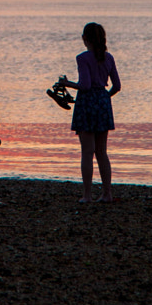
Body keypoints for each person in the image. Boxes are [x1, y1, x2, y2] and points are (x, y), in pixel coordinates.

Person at [58, 22, 121, 203]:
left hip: (86, 103)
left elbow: (85, 85)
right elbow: (117, 86)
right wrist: (105, 97)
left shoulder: (83, 58)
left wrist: (66, 83)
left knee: (87, 152)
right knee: (102, 152)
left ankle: (87, 195)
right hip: (103, 102)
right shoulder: (108, 58)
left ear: (85, 39)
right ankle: (107, 194)